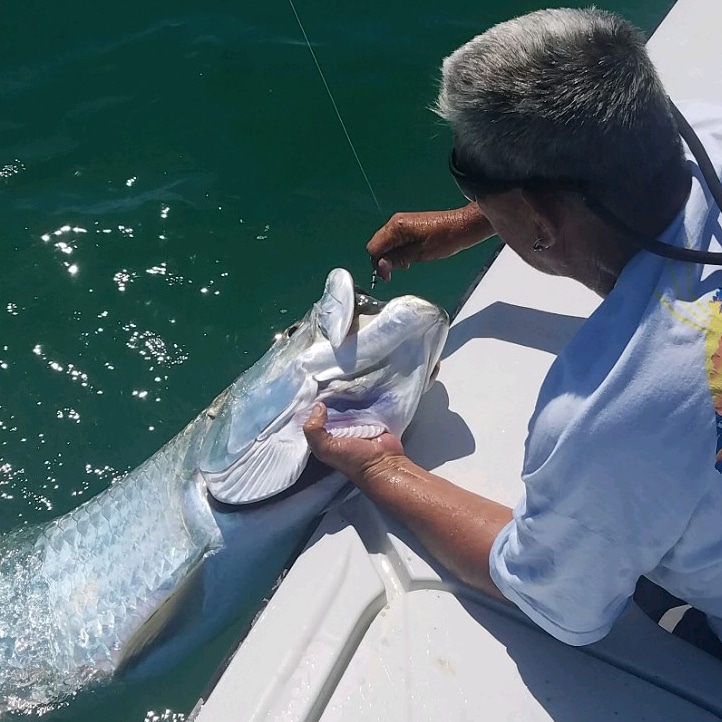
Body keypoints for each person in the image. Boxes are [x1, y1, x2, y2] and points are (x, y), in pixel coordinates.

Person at [303, 7, 722, 654]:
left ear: (540, 215)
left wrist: (383, 466)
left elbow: (551, 596)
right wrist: (474, 220)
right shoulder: (700, 132)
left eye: (470, 176)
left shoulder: (607, 416)